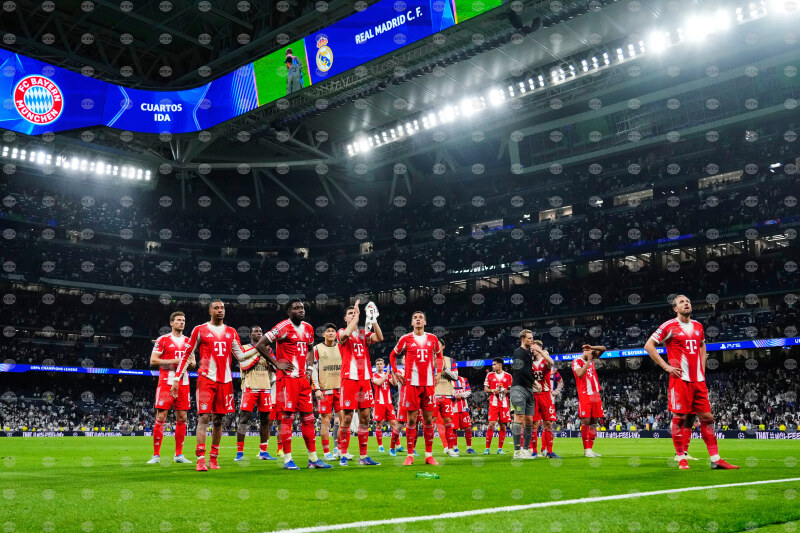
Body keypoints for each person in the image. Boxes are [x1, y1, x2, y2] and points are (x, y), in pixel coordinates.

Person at [644, 294, 739, 470]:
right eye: (682, 302)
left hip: (698, 380)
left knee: (707, 418)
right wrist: (666, 367)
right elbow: (649, 345)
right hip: (680, 380)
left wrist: (702, 368)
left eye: (688, 301)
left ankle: (716, 459)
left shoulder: (698, 326)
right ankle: (681, 457)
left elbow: (702, 345)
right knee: (679, 418)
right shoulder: (668, 326)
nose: (686, 303)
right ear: (675, 308)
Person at [171, 300, 260, 471]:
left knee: (219, 420)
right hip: (206, 379)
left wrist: (259, 347)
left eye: (222, 308)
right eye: (216, 308)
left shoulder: (231, 332)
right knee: (204, 417)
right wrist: (176, 379)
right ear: (210, 311)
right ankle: (200, 458)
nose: (220, 310)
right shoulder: (200, 330)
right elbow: (187, 355)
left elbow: (241, 355)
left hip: (225, 381)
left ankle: (213, 458)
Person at [255, 300, 333, 470]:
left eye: (302, 308)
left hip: (303, 380)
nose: (300, 310)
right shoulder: (282, 327)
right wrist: (276, 363)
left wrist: (310, 368)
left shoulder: (308, 328)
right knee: (287, 418)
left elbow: (310, 349)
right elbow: (260, 344)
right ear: (288, 312)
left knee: (309, 419)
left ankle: (313, 459)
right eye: (296, 308)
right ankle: (288, 459)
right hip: (287, 379)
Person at [389, 311, 441, 466]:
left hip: (429, 384)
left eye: (421, 318)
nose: (418, 320)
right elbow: (392, 355)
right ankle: (410, 455)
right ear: (412, 323)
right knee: (411, 420)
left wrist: (438, 373)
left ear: (425, 322)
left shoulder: (432, 338)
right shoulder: (405, 339)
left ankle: (429, 455)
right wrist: (396, 372)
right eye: (415, 318)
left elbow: (439, 356)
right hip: (411, 385)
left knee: (428, 420)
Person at [337, 300, 383, 466]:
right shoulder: (341, 332)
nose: (353, 315)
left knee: (365, 418)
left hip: (364, 379)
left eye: (354, 313)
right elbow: (345, 335)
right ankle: (343, 453)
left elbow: (379, 337)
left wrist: (373, 318)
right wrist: (357, 314)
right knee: (347, 418)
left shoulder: (363, 334)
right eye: (350, 314)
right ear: (345, 318)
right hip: (349, 379)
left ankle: (363, 456)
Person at [147, 311, 194, 465]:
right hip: (166, 382)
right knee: (161, 417)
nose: (182, 322)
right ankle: (156, 455)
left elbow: (193, 363)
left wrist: (188, 363)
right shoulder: (163, 340)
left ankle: (178, 455)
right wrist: (175, 361)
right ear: (172, 323)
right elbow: (153, 361)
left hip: (183, 383)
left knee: (182, 418)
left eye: (183, 320)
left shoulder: (189, 341)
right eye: (178, 320)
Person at [235, 326, 276, 462]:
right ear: (250, 335)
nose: (259, 333)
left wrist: (267, 356)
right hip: (250, 387)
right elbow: (244, 366)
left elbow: (275, 367)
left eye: (260, 332)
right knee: (244, 419)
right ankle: (239, 453)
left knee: (265, 420)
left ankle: (263, 451)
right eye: (256, 332)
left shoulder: (269, 350)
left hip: (265, 387)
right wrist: (259, 352)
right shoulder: (244, 348)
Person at [311, 323, 344, 461]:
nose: (331, 333)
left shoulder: (341, 347)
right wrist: (317, 388)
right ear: (323, 334)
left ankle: (340, 449)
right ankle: (326, 452)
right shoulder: (317, 348)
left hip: (340, 389)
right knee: (325, 421)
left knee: (344, 420)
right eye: (328, 331)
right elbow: (313, 369)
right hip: (325, 390)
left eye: (333, 331)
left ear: (336, 334)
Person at [572, 344, 607, 458]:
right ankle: (586, 449)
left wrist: (592, 347)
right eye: (589, 351)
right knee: (586, 421)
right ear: (584, 351)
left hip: (595, 394)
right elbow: (579, 374)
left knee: (594, 422)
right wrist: (588, 361)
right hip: (585, 394)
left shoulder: (592, 358)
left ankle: (590, 449)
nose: (592, 353)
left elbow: (603, 348)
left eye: (592, 352)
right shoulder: (577, 361)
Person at [508, 330, 537, 459]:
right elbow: (521, 370)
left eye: (532, 338)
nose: (531, 340)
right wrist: (535, 382)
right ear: (522, 339)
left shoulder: (529, 353)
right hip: (518, 388)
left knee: (529, 421)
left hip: (528, 389)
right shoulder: (518, 352)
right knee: (519, 418)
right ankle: (517, 451)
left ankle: (525, 450)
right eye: (529, 338)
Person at [532, 340, 560, 459]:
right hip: (534, 395)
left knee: (548, 423)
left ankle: (549, 451)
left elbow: (552, 362)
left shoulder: (545, 361)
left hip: (545, 395)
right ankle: (534, 451)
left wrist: (541, 352)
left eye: (533, 347)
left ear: (539, 348)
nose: (532, 349)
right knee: (534, 424)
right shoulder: (529, 362)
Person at [433, 339, 459, 457]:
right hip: (433, 395)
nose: (435, 346)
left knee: (448, 422)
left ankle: (450, 449)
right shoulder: (428, 360)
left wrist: (445, 369)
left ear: (443, 346)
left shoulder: (450, 361)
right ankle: (429, 452)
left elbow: (456, 377)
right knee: (430, 422)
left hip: (446, 395)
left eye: (438, 344)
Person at [484, 357, 512, 454]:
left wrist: (505, 391)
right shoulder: (489, 375)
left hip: (504, 403)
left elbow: (511, 390)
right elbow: (486, 389)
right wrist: (493, 390)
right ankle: (487, 448)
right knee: (491, 424)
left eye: (494, 364)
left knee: (503, 426)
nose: (492, 366)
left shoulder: (508, 376)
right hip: (494, 402)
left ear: (500, 365)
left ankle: (500, 449)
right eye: (492, 364)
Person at [372, 358, 400, 455]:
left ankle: (397, 446)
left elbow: (395, 384)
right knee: (379, 424)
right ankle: (380, 446)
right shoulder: (374, 375)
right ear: (376, 366)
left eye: (381, 364)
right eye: (378, 364)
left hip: (388, 403)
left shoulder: (387, 374)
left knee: (394, 424)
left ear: (384, 365)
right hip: (379, 403)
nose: (379, 365)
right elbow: (379, 383)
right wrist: (387, 373)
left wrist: (392, 373)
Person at [538, 368, 564, 455]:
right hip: (538, 398)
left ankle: (545, 450)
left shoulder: (553, 370)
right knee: (536, 423)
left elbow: (561, 382)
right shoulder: (538, 368)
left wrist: (557, 391)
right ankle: (531, 450)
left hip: (550, 400)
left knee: (549, 424)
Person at [452, 375, 475, 454]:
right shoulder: (448, 381)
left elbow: (469, 392)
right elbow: (446, 393)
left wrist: (461, 395)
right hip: (453, 408)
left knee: (468, 428)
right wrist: (454, 396)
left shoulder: (464, 380)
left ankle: (469, 448)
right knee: (453, 429)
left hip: (464, 407)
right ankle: (455, 448)